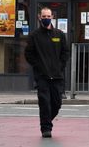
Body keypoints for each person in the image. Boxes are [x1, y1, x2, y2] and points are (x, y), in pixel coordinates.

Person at [24, 7, 70, 138]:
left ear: (52, 17)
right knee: (44, 102)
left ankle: (47, 120)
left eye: (48, 16)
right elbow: (28, 54)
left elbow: (65, 52)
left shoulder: (59, 34)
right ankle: (46, 128)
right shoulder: (34, 36)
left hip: (57, 76)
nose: (46, 19)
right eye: (43, 16)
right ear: (40, 17)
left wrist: (60, 66)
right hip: (42, 76)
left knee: (57, 103)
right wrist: (38, 66)